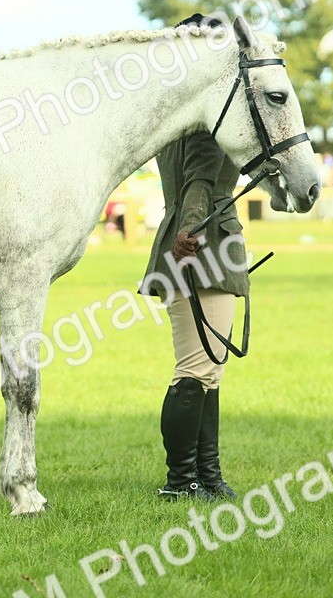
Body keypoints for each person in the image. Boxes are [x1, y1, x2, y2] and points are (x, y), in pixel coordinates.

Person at [139, 130, 248, 502]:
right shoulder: (206, 124)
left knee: (209, 374)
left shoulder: (177, 121)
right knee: (196, 371)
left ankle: (207, 476)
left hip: (194, 241)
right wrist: (193, 226)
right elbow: (198, 180)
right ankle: (181, 482)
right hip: (207, 246)